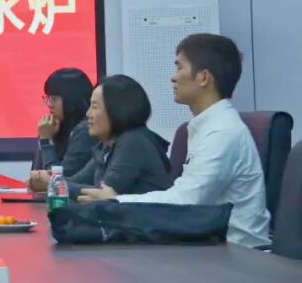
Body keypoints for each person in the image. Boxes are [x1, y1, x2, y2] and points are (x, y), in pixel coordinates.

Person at [80, 34, 271, 248]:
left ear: (203, 78)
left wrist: (115, 202)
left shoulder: (222, 133)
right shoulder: (206, 127)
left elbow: (185, 201)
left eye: (179, 67)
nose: (173, 77)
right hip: (210, 245)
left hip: (238, 253)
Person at [29, 74, 172, 198]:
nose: (88, 114)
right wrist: (47, 181)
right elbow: (76, 181)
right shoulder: (107, 145)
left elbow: (102, 193)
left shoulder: (134, 142)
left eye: (95, 107)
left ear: (117, 110)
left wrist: (52, 183)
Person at [31, 68, 95, 176]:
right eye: (48, 98)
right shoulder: (55, 127)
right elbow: (36, 175)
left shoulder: (85, 130)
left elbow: (58, 179)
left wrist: (46, 141)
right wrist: (44, 138)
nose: (49, 104)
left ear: (71, 99)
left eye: (54, 99)